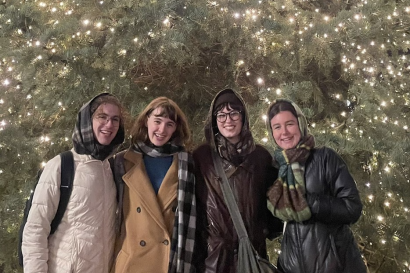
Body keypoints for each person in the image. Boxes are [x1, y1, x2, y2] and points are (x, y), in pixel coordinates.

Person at [22, 93, 126, 273]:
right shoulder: (61, 166)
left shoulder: (111, 168)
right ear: (88, 120)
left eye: (115, 119)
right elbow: (35, 229)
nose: (109, 125)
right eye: (102, 117)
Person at [266, 99, 367, 273]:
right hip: (292, 269)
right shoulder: (277, 168)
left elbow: (353, 207)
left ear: (300, 124)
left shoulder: (324, 158)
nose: (284, 132)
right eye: (277, 127)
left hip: (336, 267)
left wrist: (309, 203)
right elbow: (276, 224)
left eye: (289, 124)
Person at [193, 88, 282, 273]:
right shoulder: (201, 157)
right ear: (214, 120)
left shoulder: (261, 157)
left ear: (243, 116)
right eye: (222, 115)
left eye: (234, 113)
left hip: (252, 256)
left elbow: (274, 213)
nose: (228, 120)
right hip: (213, 261)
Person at [111, 97, 196, 273]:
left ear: (175, 129)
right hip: (131, 262)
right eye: (157, 121)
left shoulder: (186, 164)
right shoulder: (122, 161)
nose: (162, 129)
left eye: (169, 124)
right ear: (146, 120)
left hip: (170, 263)